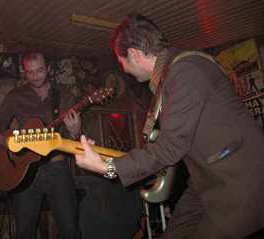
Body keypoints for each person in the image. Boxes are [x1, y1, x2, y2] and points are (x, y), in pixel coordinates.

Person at [74, 14, 264, 239]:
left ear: (133, 54)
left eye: (121, 61)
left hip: (238, 181)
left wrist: (109, 167)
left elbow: (170, 147)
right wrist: (105, 157)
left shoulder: (184, 71)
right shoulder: (171, 76)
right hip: (206, 179)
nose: (123, 69)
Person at [0, 52, 81, 239]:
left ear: (47, 68)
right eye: (30, 72)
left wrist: (75, 130)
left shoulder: (64, 94)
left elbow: (76, 140)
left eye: (39, 70)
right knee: (24, 231)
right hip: (23, 171)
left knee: (70, 229)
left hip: (57, 167)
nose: (35, 76)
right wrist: (5, 142)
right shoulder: (16, 96)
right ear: (24, 72)